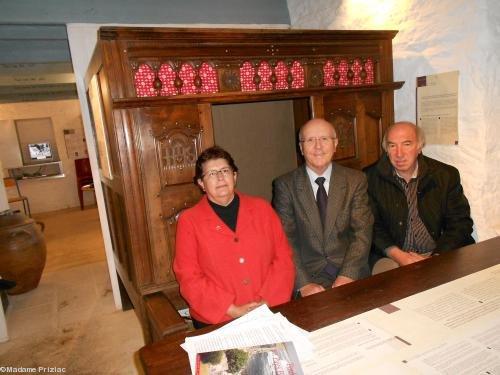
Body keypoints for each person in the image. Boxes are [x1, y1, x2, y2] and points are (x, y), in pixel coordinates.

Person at [173, 146, 295, 327]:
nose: (220, 177)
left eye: (225, 171)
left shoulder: (262, 209)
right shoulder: (189, 221)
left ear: (235, 176)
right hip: (219, 318)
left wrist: (267, 301)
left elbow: (283, 259)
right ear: (201, 183)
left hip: (269, 308)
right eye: (212, 174)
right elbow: (189, 277)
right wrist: (231, 309)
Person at [272, 118, 373, 298]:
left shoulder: (355, 180)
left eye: (324, 139)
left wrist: (347, 275)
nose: (318, 146)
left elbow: (362, 233)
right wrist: (303, 284)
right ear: (301, 148)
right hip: (309, 276)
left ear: (335, 144)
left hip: (350, 270)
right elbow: (285, 240)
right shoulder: (285, 185)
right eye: (310, 140)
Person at [365, 121, 474, 274]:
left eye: (407, 144)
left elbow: (460, 223)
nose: (399, 154)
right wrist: (399, 256)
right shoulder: (369, 178)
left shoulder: (445, 175)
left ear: (419, 146)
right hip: (393, 256)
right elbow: (371, 226)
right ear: (386, 149)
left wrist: (435, 257)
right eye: (392, 146)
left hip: (440, 251)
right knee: (393, 284)